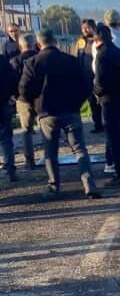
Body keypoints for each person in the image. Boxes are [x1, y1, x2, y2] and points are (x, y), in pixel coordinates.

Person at [19, 27, 100, 200]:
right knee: (79, 149)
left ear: (38, 44)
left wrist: (35, 105)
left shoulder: (33, 63)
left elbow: (23, 90)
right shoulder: (71, 61)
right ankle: (89, 185)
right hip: (71, 110)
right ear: (55, 41)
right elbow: (87, 85)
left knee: (50, 151)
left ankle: (54, 186)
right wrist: (78, 103)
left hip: (47, 113)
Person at [94, 23, 120, 188]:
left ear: (97, 40)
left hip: (111, 102)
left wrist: (96, 92)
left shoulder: (102, 56)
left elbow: (100, 83)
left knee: (114, 139)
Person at [11, 33, 39, 169]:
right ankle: (50, 156)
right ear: (34, 44)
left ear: (20, 45)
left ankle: (30, 160)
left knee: (26, 130)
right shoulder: (40, 58)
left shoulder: (15, 61)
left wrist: (16, 96)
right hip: (41, 98)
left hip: (23, 100)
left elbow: (13, 81)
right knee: (47, 128)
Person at [75, 19, 105, 132]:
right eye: (82, 28)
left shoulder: (97, 41)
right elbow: (77, 57)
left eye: (87, 27)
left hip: (97, 76)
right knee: (92, 102)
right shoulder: (81, 42)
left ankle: (106, 122)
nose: (84, 30)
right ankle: (98, 125)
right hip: (85, 77)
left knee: (101, 101)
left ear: (93, 27)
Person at [0, 49, 17, 183]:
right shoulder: (3, 60)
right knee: (6, 137)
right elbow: (12, 79)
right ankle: (11, 169)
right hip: (3, 102)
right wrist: (12, 95)